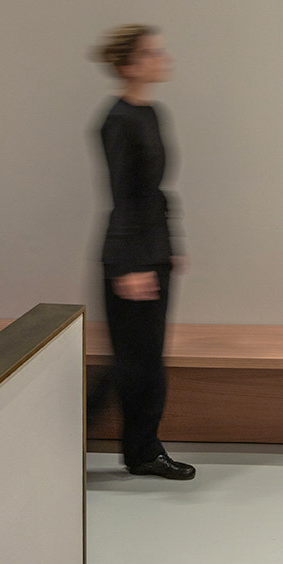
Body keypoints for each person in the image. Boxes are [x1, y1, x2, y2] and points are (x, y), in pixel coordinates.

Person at [89, 24, 195, 481]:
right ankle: (65, 441)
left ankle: (142, 452)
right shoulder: (117, 121)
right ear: (129, 65)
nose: (161, 58)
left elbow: (154, 192)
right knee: (131, 363)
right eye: (152, 53)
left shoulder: (151, 112)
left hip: (153, 252)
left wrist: (171, 245)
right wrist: (130, 266)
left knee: (145, 362)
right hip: (130, 259)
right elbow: (124, 197)